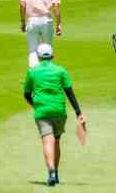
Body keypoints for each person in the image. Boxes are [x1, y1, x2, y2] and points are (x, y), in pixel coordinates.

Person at [23, 43, 85, 188]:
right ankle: (56, 173)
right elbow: (70, 93)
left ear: (38, 57)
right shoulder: (60, 71)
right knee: (56, 141)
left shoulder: (32, 72)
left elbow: (26, 94)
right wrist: (78, 112)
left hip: (42, 112)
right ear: (52, 56)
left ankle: (51, 172)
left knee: (47, 141)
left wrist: (35, 105)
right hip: (59, 111)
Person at [19, 0, 62, 68]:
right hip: (46, 20)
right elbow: (56, 6)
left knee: (33, 50)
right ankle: (48, 75)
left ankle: (33, 76)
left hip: (32, 20)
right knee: (48, 49)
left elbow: (22, 4)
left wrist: (23, 21)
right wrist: (58, 24)